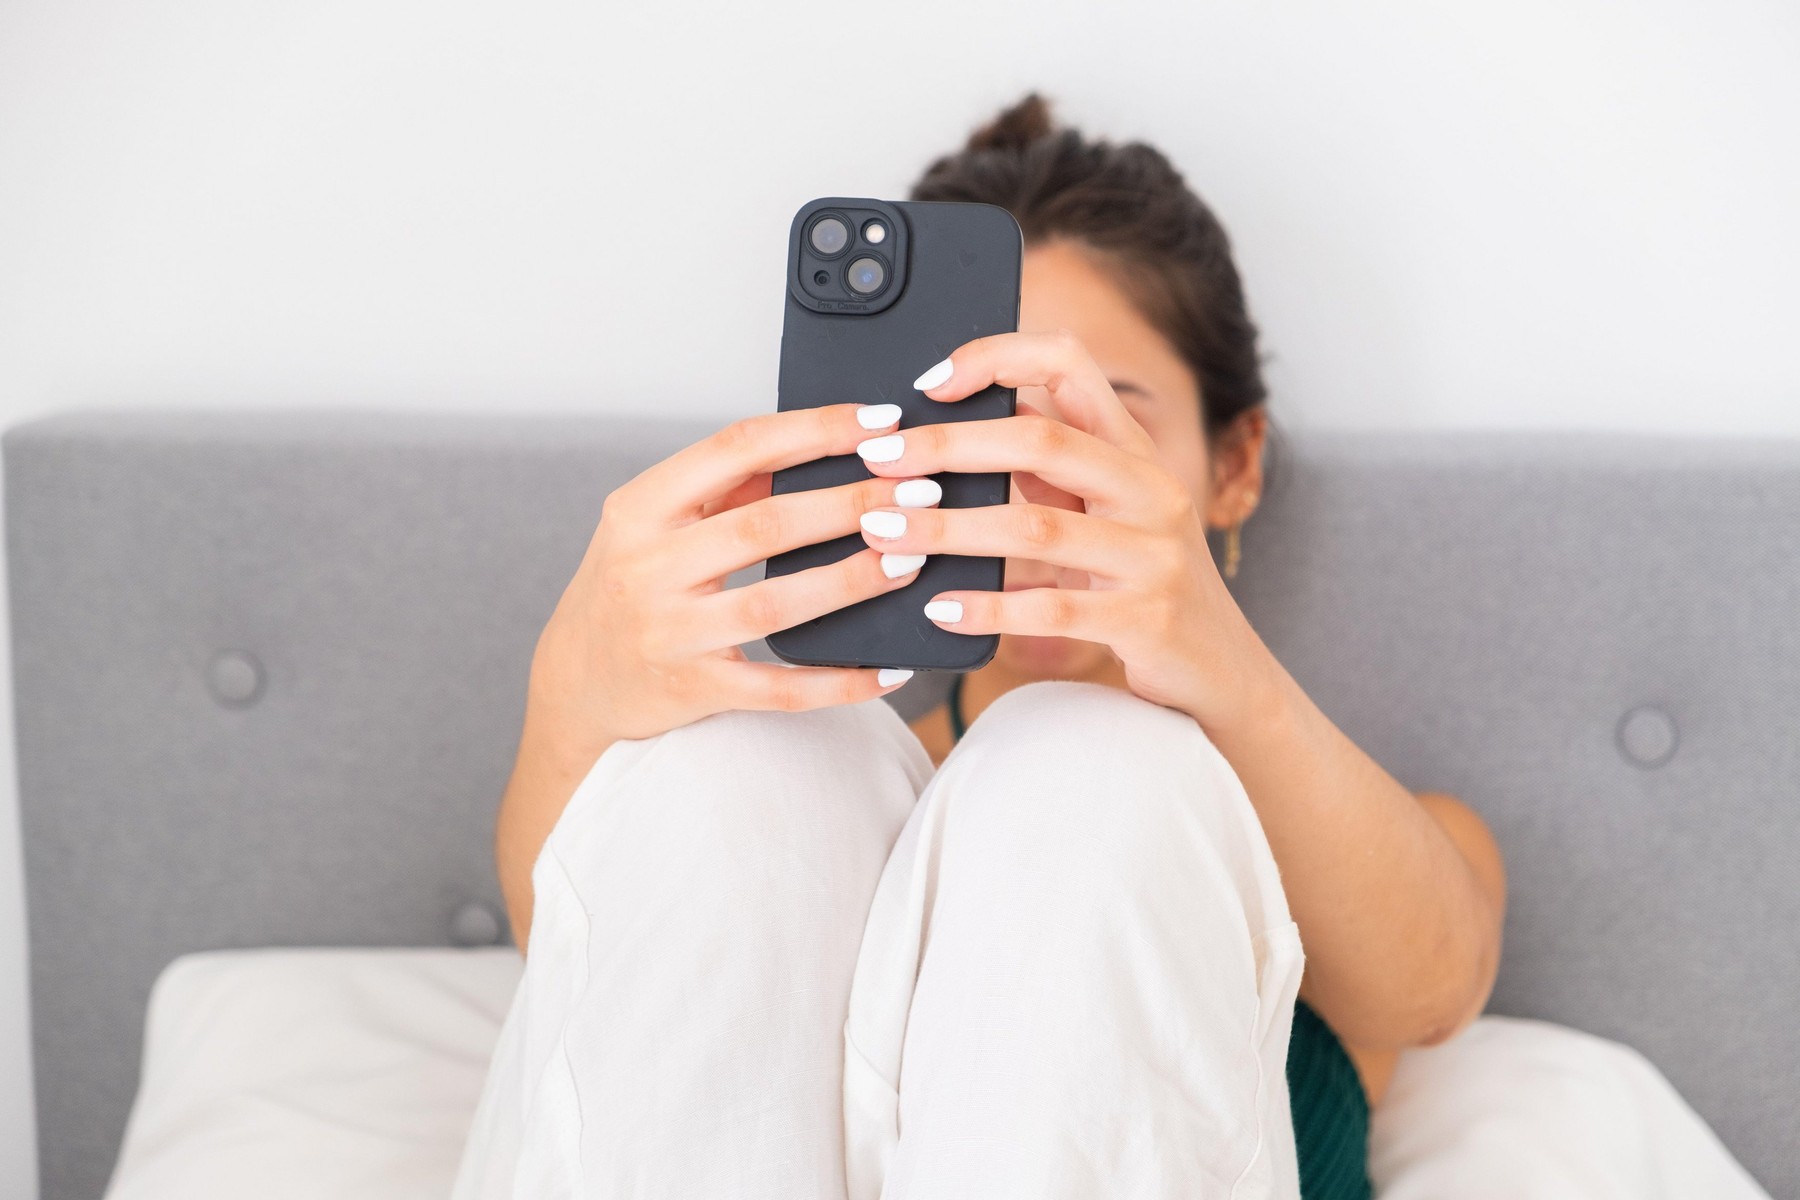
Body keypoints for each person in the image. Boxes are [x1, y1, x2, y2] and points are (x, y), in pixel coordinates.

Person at [451, 93, 1507, 1200]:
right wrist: (571, 688)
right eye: (979, 423)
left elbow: (1435, 986)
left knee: (1090, 767)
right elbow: (579, 953)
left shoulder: (1367, 841)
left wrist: (1231, 677)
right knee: (755, 760)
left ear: (1235, 464)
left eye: (1099, 418)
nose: (1027, 480)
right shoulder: (797, 796)